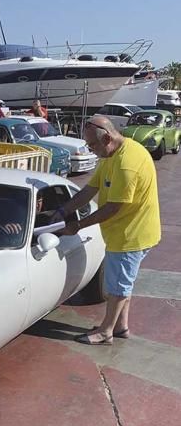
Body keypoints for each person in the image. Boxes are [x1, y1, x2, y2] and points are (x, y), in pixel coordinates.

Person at [53, 115, 161, 345]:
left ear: (108, 138)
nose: (92, 151)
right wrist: (63, 210)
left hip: (132, 234)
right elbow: (89, 190)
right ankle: (121, 326)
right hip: (121, 233)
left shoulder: (127, 163)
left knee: (118, 286)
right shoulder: (110, 156)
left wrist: (78, 225)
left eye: (93, 145)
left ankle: (106, 331)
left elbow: (113, 207)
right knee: (123, 281)